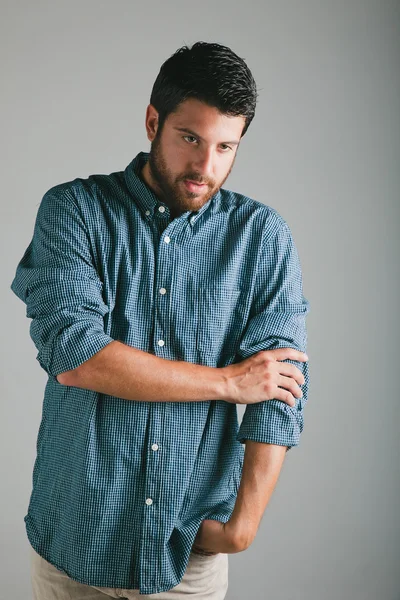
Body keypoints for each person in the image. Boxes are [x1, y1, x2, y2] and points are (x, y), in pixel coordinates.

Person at [10, 41, 310, 599]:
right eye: (190, 139)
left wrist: (243, 528)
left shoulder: (262, 239)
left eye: (226, 146)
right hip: (74, 540)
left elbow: (282, 388)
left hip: (186, 553)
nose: (205, 166)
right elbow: (76, 356)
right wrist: (228, 382)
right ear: (153, 120)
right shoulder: (74, 212)